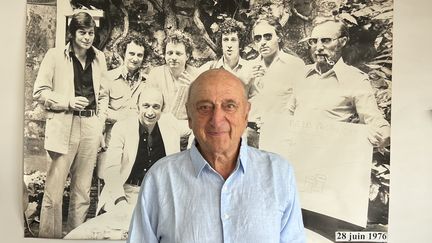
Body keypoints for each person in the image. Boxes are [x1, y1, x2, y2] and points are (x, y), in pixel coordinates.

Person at [127, 69, 306, 243]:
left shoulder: (279, 173)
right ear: (189, 116)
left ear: (246, 114)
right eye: (205, 107)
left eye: (229, 106)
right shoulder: (160, 178)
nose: (217, 119)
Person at [63, 87, 192, 240]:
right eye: (146, 105)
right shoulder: (122, 128)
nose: (150, 112)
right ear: (138, 106)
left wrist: (190, 153)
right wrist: (120, 200)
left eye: (156, 107)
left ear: (162, 109)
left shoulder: (171, 125)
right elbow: (111, 169)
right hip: (127, 193)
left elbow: (198, 126)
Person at [32, 12, 108, 238]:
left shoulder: (99, 57)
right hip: (65, 123)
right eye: (82, 32)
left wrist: (99, 121)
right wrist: (67, 101)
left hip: (91, 125)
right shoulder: (54, 56)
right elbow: (40, 91)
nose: (87, 38)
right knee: (54, 193)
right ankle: (49, 238)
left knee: (82, 191)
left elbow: (103, 95)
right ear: (72, 33)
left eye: (91, 33)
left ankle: (74, 237)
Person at [290, 18, 390, 147]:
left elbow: (372, 118)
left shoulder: (356, 79)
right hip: (298, 152)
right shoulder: (301, 74)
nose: (318, 47)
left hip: (332, 155)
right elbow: (288, 113)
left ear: (342, 42)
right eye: (313, 41)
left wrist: (383, 131)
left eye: (326, 40)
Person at [247, 16, 305, 147]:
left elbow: (302, 104)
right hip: (250, 134)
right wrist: (247, 80)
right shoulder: (249, 67)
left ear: (279, 37)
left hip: (281, 133)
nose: (262, 42)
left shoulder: (295, 65)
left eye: (268, 37)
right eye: (258, 38)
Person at [97, 33, 148, 179]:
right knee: (107, 179)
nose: (135, 58)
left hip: (137, 141)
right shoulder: (108, 78)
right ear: (123, 53)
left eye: (139, 55)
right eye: (131, 53)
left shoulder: (147, 81)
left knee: (131, 181)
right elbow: (101, 110)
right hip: (112, 139)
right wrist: (123, 117)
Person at [147, 29, 198, 121]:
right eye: (170, 53)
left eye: (178, 53)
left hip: (187, 127)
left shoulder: (197, 75)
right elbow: (148, 105)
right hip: (161, 124)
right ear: (165, 55)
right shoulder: (155, 74)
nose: (173, 58)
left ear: (187, 56)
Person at [199, 18, 251, 87]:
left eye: (233, 40)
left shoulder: (249, 68)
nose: (229, 45)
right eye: (226, 40)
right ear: (221, 43)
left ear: (240, 43)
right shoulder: (209, 68)